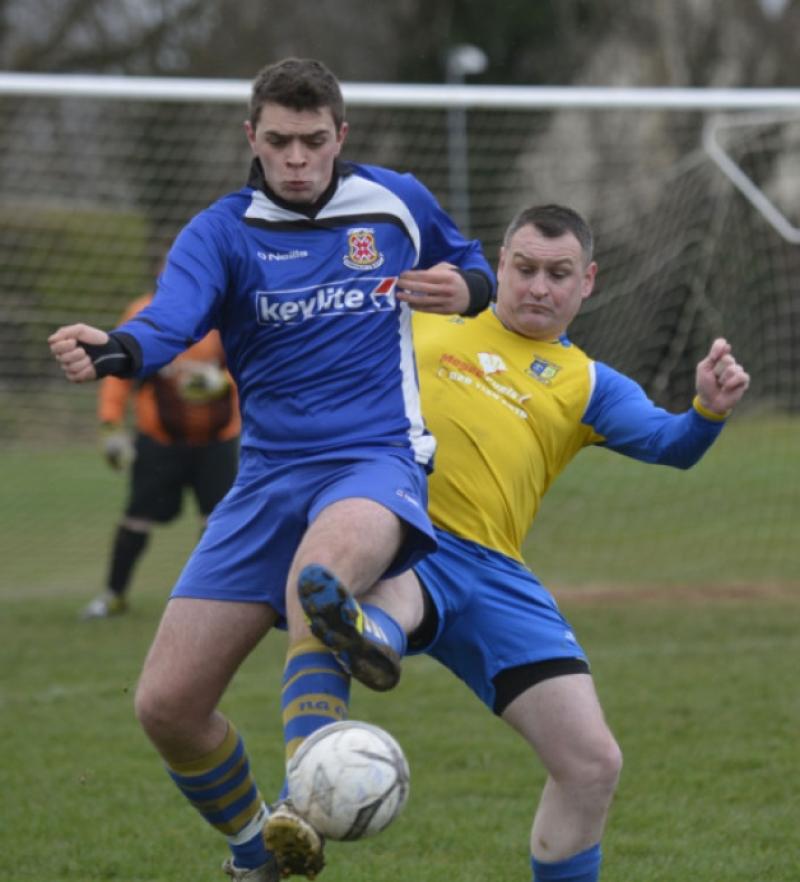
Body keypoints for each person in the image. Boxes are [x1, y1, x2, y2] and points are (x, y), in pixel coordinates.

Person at [48, 57, 494, 882]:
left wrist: (465, 286)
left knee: (316, 581)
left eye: (314, 141)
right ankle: (259, 851)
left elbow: (475, 264)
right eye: (280, 141)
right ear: (251, 136)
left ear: (341, 137)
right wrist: (117, 349)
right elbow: (174, 317)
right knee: (167, 706)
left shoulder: (394, 203)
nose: (297, 158)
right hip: (264, 479)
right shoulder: (221, 232)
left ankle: (308, 791)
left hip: (373, 459)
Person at [297, 204, 750, 882]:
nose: (539, 287)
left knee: (592, 763)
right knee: (400, 571)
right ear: (499, 266)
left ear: (587, 281)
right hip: (408, 534)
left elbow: (670, 445)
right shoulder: (426, 317)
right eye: (526, 268)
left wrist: (709, 409)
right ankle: (366, 632)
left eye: (558, 274)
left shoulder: (589, 383)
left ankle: (368, 631)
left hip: (497, 576)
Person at [82, 290, 241, 619]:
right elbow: (119, 368)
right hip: (159, 439)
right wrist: (110, 423)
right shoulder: (142, 311)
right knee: (137, 517)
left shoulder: (231, 308)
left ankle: (215, 601)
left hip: (218, 439)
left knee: (220, 524)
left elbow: (258, 363)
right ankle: (114, 595)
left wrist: (223, 380)